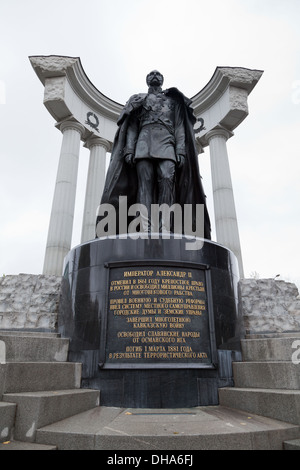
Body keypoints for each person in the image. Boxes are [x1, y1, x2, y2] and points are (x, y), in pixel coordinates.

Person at [97, 70, 211, 239]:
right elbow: (133, 126)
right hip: (143, 143)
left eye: (158, 74)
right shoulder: (139, 99)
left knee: (166, 179)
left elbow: (179, 126)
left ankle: (164, 225)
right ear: (147, 80)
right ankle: (145, 226)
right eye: (151, 74)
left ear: (162, 80)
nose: (155, 75)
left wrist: (180, 149)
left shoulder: (173, 101)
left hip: (167, 142)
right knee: (145, 184)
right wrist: (129, 148)